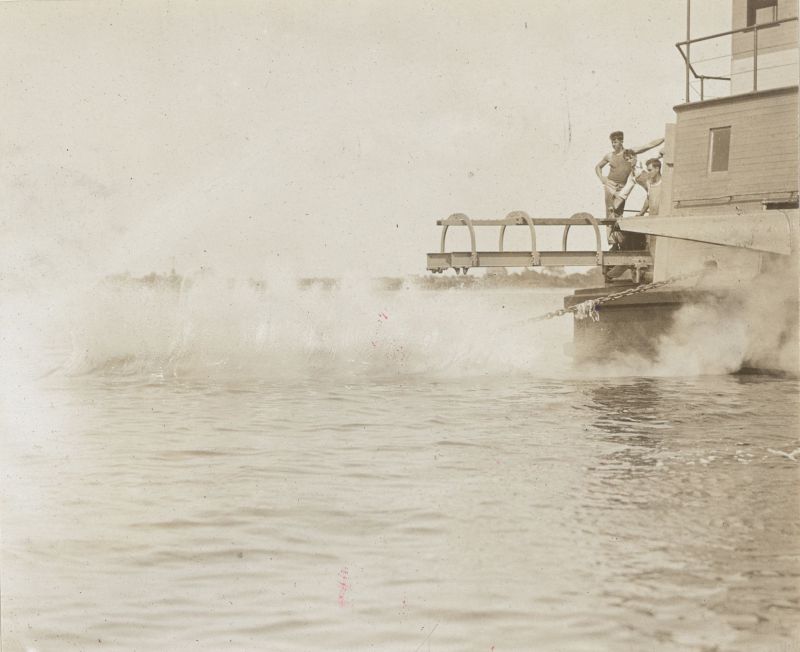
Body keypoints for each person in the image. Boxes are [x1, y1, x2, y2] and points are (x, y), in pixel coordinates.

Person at [595, 131, 664, 220]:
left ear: (621, 141)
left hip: (622, 186)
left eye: (615, 142)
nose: (613, 144)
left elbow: (649, 145)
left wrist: (665, 138)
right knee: (610, 213)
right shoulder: (609, 155)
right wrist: (602, 178)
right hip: (611, 186)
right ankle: (610, 227)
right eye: (612, 142)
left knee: (619, 214)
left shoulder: (631, 152)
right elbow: (598, 167)